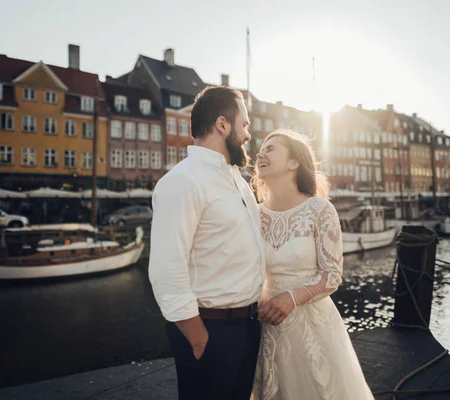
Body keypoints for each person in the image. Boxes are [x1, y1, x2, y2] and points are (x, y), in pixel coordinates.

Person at [149, 86, 266, 400]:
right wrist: (198, 337)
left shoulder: (237, 182)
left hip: (247, 327)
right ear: (222, 125)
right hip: (211, 331)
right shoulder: (183, 181)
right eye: (244, 124)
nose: (248, 134)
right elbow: (165, 269)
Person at [250, 130, 374, 400]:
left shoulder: (319, 210)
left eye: (270, 149)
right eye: (260, 149)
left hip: (311, 328)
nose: (260, 153)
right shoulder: (253, 213)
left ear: (294, 163)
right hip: (265, 324)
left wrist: (291, 298)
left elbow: (331, 277)